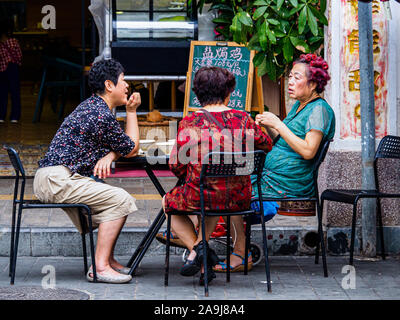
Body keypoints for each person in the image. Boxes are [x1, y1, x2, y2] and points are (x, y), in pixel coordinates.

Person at [213, 53, 335, 272]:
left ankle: (236, 251)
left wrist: (278, 124)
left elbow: (308, 150)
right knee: (224, 179)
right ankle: (206, 235)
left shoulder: (319, 110)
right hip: (270, 177)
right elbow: (287, 143)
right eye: (290, 76)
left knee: (231, 188)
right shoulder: (300, 106)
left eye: (296, 77)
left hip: (287, 184)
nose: (290, 81)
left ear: (314, 83)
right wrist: (268, 125)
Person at [161, 66, 273, 285]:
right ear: (228, 92)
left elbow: (176, 165)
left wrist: (194, 171)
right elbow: (265, 145)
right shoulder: (243, 119)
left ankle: (198, 252)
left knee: (168, 202)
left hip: (202, 195)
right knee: (214, 196)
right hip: (239, 198)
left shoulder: (190, 123)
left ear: (197, 94)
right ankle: (202, 259)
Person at [33, 59, 141, 284]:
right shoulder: (100, 114)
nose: (127, 85)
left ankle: (107, 260)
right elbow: (131, 148)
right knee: (120, 199)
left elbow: (120, 148)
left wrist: (111, 155)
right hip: (57, 179)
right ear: (109, 85)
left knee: (109, 201)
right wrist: (131, 112)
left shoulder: (94, 107)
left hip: (54, 177)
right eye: (123, 80)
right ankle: (99, 267)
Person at [0, 19, 22, 123]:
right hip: (13, 68)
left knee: (2, 93)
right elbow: (19, 56)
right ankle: (15, 116)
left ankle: (1, 116)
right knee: (15, 93)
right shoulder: (14, 42)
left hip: (1, 70)